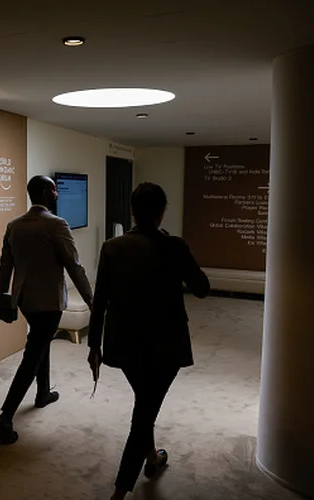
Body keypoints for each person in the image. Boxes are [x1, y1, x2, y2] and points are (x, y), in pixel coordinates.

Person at [87, 182, 210, 499]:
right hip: (166, 343)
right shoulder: (174, 246)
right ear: (162, 212)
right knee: (145, 410)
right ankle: (120, 490)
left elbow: (99, 301)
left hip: (123, 342)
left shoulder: (112, 247)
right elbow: (202, 288)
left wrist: (93, 347)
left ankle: (152, 458)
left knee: (145, 398)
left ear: (132, 211)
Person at [0, 175, 93, 445]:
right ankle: (6, 415)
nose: (58, 194)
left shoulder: (15, 225)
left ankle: (43, 393)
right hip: (49, 302)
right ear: (48, 193)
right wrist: (92, 300)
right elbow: (75, 267)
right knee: (33, 354)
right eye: (56, 190)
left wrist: (3, 298)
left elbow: (5, 265)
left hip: (25, 300)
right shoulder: (57, 224)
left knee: (40, 341)